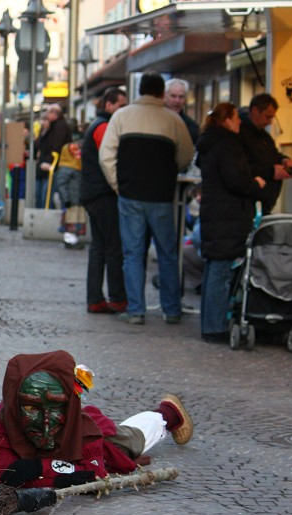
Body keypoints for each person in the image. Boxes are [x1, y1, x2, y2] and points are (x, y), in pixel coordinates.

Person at [0, 350, 193, 489]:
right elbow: (6, 474)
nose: (44, 424)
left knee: (131, 440)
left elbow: (92, 475)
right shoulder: (6, 418)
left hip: (104, 440)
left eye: (55, 408)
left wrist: (39, 469)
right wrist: (59, 474)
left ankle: (168, 412)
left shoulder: (86, 435)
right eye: (32, 408)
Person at [99, 72, 195, 326]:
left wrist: (118, 185)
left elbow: (106, 155)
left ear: (139, 91)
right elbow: (186, 154)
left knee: (132, 254)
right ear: (162, 93)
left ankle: (136, 310)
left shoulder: (121, 116)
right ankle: (171, 310)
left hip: (130, 194)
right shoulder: (173, 120)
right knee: (167, 253)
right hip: (162, 196)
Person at [196, 103, 266, 343]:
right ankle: (214, 327)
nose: (240, 122)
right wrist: (255, 183)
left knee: (214, 270)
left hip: (217, 214)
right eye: (236, 118)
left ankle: (210, 323)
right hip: (226, 215)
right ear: (226, 120)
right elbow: (235, 180)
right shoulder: (226, 144)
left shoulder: (211, 142)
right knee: (221, 271)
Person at [81, 87, 128, 315]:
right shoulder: (103, 126)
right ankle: (117, 298)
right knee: (112, 247)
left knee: (99, 247)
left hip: (93, 193)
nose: (123, 110)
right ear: (108, 105)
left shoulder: (98, 124)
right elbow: (108, 157)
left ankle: (95, 299)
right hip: (103, 194)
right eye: (120, 105)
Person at [237, 93, 292, 215]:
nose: (270, 122)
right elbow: (241, 168)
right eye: (267, 117)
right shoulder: (240, 134)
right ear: (254, 111)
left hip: (262, 204)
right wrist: (271, 172)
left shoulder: (264, 136)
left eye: (272, 117)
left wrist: (284, 159)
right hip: (248, 204)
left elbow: (272, 156)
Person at [35, 104, 72, 209]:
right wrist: (43, 131)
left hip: (53, 165)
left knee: (47, 194)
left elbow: (56, 147)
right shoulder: (51, 127)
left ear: (54, 114)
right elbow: (39, 145)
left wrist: (50, 163)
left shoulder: (60, 126)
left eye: (48, 114)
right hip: (45, 165)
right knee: (43, 194)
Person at [164, 78, 199, 145]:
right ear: (164, 96)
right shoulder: (155, 118)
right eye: (173, 96)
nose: (177, 101)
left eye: (181, 97)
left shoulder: (191, 126)